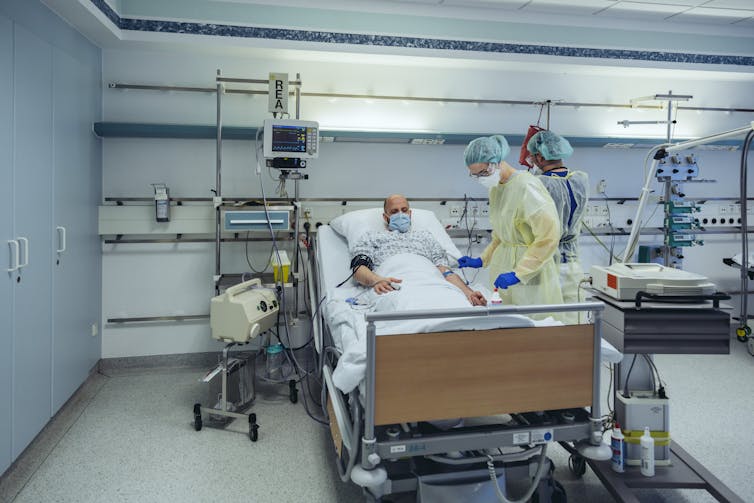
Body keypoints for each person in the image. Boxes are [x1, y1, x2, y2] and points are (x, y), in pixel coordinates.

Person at [457, 135, 564, 320]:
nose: (480, 179)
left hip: (531, 273)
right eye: (475, 175)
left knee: (535, 328)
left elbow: (549, 236)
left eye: (482, 173)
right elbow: (501, 235)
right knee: (507, 326)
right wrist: (482, 260)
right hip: (503, 267)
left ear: (496, 162)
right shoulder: (496, 189)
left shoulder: (527, 186)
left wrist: (519, 273)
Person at [350, 194, 486, 306]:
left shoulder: (426, 236)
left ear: (410, 214)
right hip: (393, 285)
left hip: (430, 282)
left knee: (454, 303)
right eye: (394, 211)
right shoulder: (371, 237)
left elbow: (445, 271)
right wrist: (377, 280)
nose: (400, 214)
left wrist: (469, 293)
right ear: (385, 217)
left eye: (404, 210)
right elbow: (358, 269)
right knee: (402, 305)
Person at [526, 130, 588, 324]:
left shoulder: (537, 184)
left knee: (545, 324)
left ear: (540, 156)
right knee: (575, 322)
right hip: (572, 264)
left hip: (544, 266)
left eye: (533, 157)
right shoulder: (581, 180)